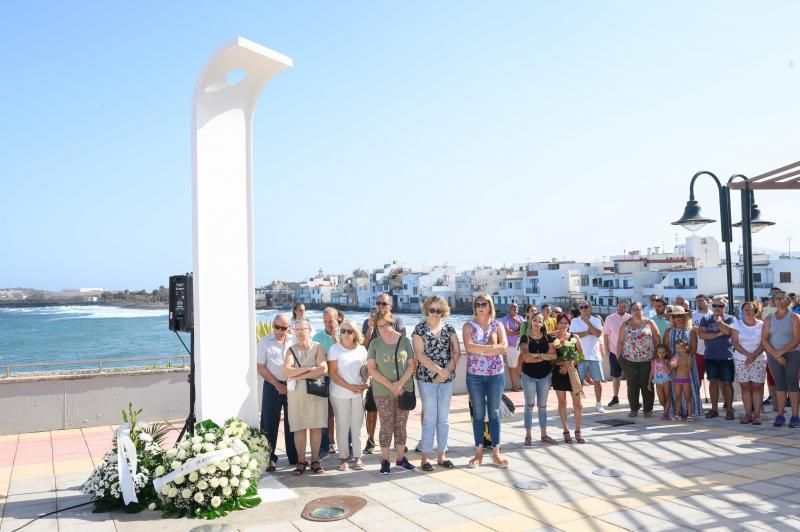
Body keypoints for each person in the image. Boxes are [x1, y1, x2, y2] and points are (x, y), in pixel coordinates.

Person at [412, 295, 460, 471]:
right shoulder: (419, 330)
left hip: (447, 378)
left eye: (439, 310)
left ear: (443, 312)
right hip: (427, 379)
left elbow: (456, 351)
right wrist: (440, 371)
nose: (435, 313)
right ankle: (425, 457)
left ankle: (442, 454)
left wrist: (447, 370)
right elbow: (420, 356)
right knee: (430, 417)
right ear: (427, 310)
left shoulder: (449, 328)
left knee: (444, 419)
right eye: (432, 310)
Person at [463, 294, 509, 467]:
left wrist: (481, 350)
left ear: (490, 306)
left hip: (496, 375)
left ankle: (496, 452)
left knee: (495, 413)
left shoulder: (498, 325)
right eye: (478, 304)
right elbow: (469, 347)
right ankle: (478, 453)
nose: (481, 306)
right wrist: (491, 349)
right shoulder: (468, 326)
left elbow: (503, 348)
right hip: (475, 375)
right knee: (479, 414)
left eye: (484, 303)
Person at [367, 311, 416, 473]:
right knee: (386, 425)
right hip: (382, 390)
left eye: (386, 324)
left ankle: (401, 458)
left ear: (392, 323)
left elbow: (411, 365)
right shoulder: (374, 344)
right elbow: (372, 369)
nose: (383, 328)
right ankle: (385, 460)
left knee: (401, 425)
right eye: (379, 326)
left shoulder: (404, 341)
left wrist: (400, 384)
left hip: (404, 389)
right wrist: (390, 385)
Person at [362, 293, 407, 454]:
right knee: (372, 408)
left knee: (398, 410)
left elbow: (403, 344)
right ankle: (370, 439)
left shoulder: (398, 322)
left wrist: (387, 328)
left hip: (395, 374)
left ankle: (398, 441)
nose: (380, 306)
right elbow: (363, 346)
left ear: (390, 306)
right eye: (378, 303)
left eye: (383, 304)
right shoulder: (369, 323)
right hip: (376, 372)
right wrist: (370, 330)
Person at [283, 318, 328, 475]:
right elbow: (287, 371)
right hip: (297, 395)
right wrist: (310, 369)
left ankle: (315, 460)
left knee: (316, 427)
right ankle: (301, 461)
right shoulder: (291, 349)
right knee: (299, 427)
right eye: (297, 329)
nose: (300, 332)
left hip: (315, 393)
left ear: (310, 330)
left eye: (303, 329)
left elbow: (322, 369)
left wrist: (299, 373)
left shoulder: (318, 347)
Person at [256, 313, 298, 471]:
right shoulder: (264, 342)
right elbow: (261, 367)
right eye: (277, 327)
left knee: (292, 421)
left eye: (284, 328)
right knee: (269, 422)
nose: (280, 330)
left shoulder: (294, 341)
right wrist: (277, 385)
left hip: (292, 385)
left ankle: (294, 457)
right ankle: (269, 458)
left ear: (289, 328)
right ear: (273, 326)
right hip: (272, 386)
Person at [327, 319, 368, 471]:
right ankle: (343, 458)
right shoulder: (334, 349)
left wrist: (366, 384)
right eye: (342, 331)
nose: (345, 334)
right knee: (342, 426)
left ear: (355, 333)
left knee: (357, 426)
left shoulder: (362, 350)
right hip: (339, 393)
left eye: (349, 331)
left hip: (358, 394)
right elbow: (332, 373)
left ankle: (358, 457)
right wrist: (350, 387)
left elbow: (367, 370)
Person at [719, 301, 765, 424]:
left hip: (759, 359)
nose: (748, 311)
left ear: (755, 311)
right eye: (745, 309)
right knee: (745, 387)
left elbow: (764, 342)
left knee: (757, 387)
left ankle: (757, 416)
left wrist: (754, 355)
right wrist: (748, 355)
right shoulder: (737, 324)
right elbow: (734, 342)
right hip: (741, 359)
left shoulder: (762, 325)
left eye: (750, 309)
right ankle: (748, 414)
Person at [762, 289, 800, 427]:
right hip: (774, 355)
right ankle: (780, 415)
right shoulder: (768, 318)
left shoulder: (794, 317)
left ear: (787, 300)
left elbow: (797, 339)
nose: (779, 300)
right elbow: (764, 339)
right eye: (776, 298)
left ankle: (795, 416)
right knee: (780, 384)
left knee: (792, 383)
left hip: (793, 353)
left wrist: (780, 353)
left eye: (782, 298)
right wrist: (776, 355)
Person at [517, 312, 557, 445]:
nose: (537, 323)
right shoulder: (525, 338)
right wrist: (544, 356)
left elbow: (554, 356)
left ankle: (544, 435)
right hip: (529, 376)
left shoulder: (548, 338)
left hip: (545, 376)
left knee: (543, 406)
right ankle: (528, 436)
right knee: (529, 405)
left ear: (542, 323)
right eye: (534, 320)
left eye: (540, 321)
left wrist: (537, 355)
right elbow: (526, 358)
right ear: (530, 321)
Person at [617, 301, 659, 418]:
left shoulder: (650, 323)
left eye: (639, 309)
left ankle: (648, 409)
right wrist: (619, 358)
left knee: (647, 385)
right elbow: (620, 342)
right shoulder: (625, 324)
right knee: (632, 385)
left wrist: (656, 357)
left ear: (642, 310)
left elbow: (657, 339)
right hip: (629, 360)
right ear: (630, 311)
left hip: (647, 361)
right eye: (634, 309)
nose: (637, 311)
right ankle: (634, 408)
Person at [698, 297, 736, 420]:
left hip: (726, 356)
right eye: (715, 306)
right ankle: (714, 409)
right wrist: (720, 333)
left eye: (720, 306)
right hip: (710, 356)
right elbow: (702, 335)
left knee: (727, 383)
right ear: (711, 306)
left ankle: (729, 409)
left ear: (725, 307)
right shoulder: (705, 319)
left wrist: (719, 322)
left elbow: (729, 332)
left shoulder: (731, 318)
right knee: (713, 382)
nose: (717, 308)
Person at [664, 305, 702, 419]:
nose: (678, 318)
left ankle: (690, 412)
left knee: (689, 389)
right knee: (675, 391)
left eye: (680, 316)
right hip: (673, 364)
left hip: (687, 364)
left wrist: (683, 360)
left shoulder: (691, 331)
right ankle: (677, 412)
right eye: (675, 316)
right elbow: (665, 348)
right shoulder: (668, 331)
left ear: (685, 317)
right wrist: (673, 361)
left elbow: (694, 349)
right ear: (672, 318)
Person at [552, 313, 585, 443]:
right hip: (559, 372)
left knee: (578, 403)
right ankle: (565, 430)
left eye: (566, 323)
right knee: (562, 402)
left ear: (569, 324)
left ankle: (578, 430)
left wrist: (571, 363)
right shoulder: (552, 338)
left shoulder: (574, 337)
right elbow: (551, 359)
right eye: (561, 322)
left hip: (572, 373)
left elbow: (581, 356)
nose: (563, 325)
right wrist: (562, 363)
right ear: (557, 323)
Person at [569, 301, 605, 413]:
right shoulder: (575, 321)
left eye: (585, 307)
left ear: (590, 308)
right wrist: (587, 332)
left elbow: (598, 334)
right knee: (578, 382)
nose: (583, 309)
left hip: (594, 355)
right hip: (579, 356)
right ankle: (578, 404)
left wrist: (588, 323)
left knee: (597, 381)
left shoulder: (596, 320)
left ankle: (599, 404)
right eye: (581, 307)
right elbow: (572, 336)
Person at [312, 307, 339, 455]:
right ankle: (328, 443)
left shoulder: (346, 334)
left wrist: (336, 338)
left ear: (337, 319)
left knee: (340, 412)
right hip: (323, 379)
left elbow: (345, 354)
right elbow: (315, 358)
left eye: (331, 320)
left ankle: (346, 443)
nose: (329, 324)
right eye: (326, 321)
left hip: (341, 379)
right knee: (326, 413)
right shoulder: (317, 337)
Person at [603, 300, 631, 407]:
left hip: (628, 353)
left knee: (630, 376)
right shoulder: (609, 318)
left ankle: (631, 398)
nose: (621, 308)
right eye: (619, 306)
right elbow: (605, 335)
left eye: (623, 307)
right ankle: (615, 397)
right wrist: (606, 350)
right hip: (614, 352)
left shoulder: (630, 318)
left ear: (627, 308)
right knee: (616, 376)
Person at [500, 303, 524, 391]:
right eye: (513, 308)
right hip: (511, 346)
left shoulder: (520, 318)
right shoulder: (505, 319)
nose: (515, 309)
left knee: (521, 365)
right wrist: (518, 331)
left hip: (520, 345)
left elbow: (525, 328)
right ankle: (514, 385)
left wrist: (516, 321)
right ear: (509, 309)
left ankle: (523, 384)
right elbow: (507, 332)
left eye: (517, 307)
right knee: (512, 366)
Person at [692, 294, 712, 391]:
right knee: (697, 378)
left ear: (707, 301)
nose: (698, 303)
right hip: (698, 351)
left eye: (701, 300)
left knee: (714, 379)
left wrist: (699, 330)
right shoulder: (692, 316)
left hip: (712, 351)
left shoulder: (713, 315)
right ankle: (696, 400)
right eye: (697, 301)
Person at [672, 340, 695, 422]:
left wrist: (679, 365)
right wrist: (673, 365)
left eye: (680, 348)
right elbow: (672, 368)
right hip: (677, 380)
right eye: (676, 348)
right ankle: (677, 414)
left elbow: (688, 369)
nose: (678, 350)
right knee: (677, 397)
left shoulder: (688, 357)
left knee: (688, 397)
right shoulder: (676, 357)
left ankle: (690, 415)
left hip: (685, 380)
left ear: (685, 348)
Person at [650, 344, 674, 420]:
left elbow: (669, 371)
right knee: (661, 399)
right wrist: (648, 383)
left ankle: (665, 414)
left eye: (663, 352)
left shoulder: (667, 361)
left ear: (666, 353)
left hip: (666, 380)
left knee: (667, 397)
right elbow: (652, 372)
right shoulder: (654, 361)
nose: (661, 354)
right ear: (656, 353)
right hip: (657, 381)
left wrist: (663, 363)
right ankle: (666, 410)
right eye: (659, 352)